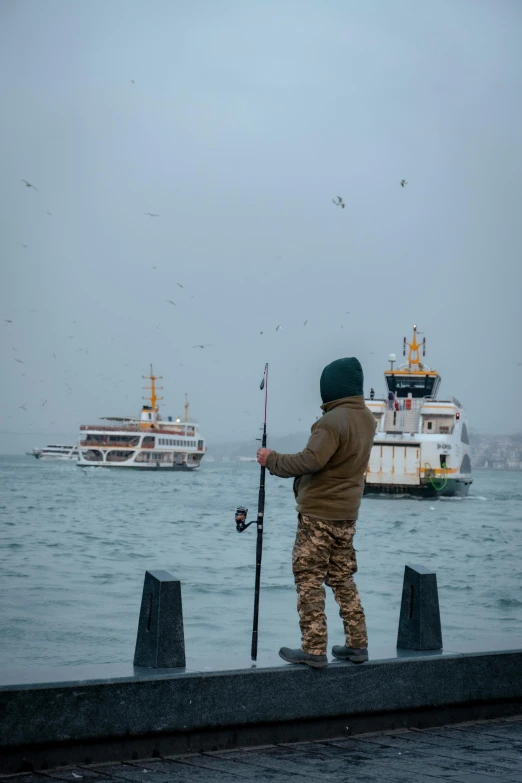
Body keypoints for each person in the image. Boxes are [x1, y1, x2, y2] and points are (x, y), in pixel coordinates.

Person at [257, 357, 376, 668]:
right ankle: (357, 644)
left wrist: (271, 459)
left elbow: (311, 460)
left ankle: (313, 648)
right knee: (342, 577)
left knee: (308, 577)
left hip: (319, 515)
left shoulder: (332, 422)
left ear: (331, 388)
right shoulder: (366, 419)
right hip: (347, 514)